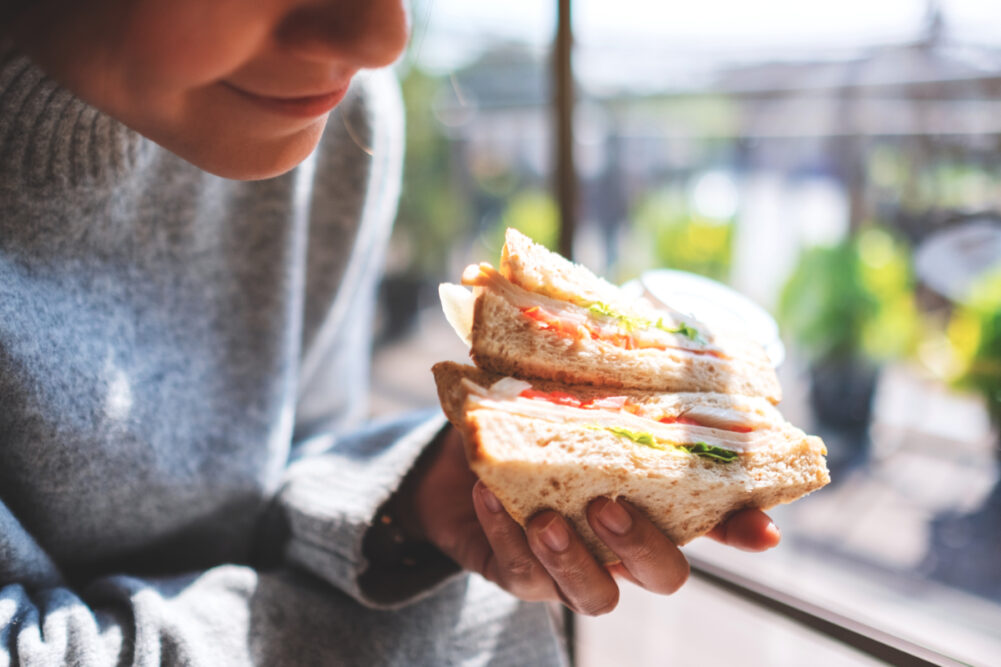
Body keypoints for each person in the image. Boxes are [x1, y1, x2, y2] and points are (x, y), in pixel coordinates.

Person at [0, 1, 781, 664]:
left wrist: (407, 508)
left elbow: (284, 463)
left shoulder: (337, 117)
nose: (382, 38)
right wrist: (434, 627)